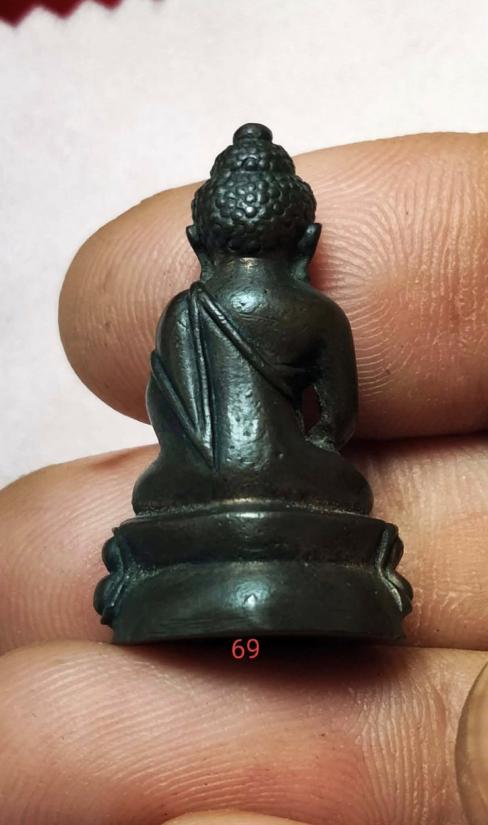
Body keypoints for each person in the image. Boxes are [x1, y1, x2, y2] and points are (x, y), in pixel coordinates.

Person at [0, 130, 487, 824]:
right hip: (297, 479)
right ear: (307, 243)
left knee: (157, 492)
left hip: (191, 490)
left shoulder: (183, 311)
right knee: (347, 488)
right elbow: (339, 421)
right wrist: (304, 454)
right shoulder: (317, 314)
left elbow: (170, 420)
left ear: (200, 244)